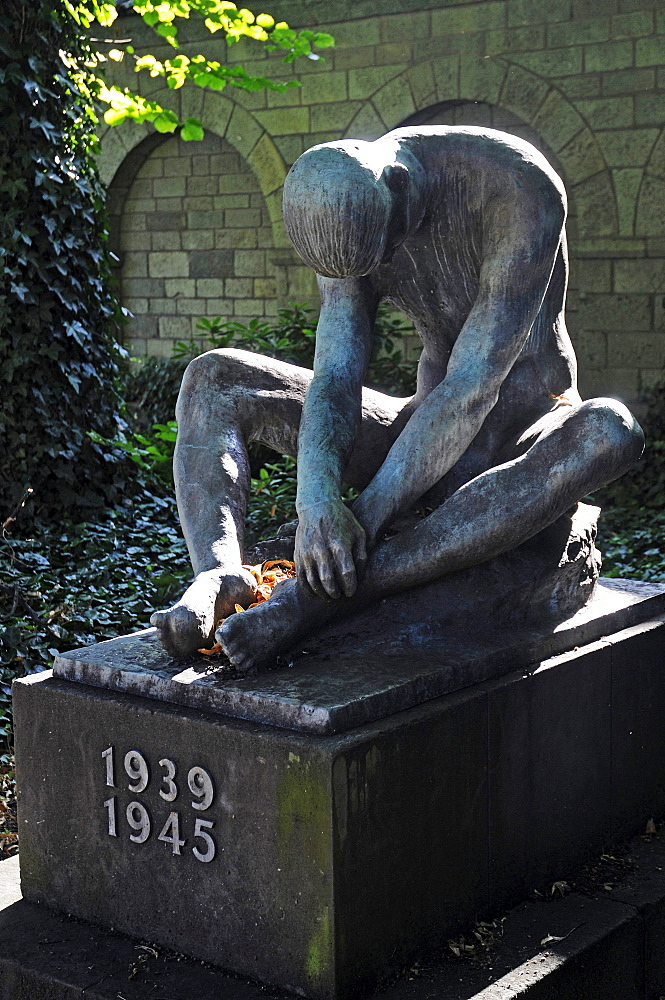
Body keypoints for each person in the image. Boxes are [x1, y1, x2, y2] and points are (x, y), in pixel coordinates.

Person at [151, 126, 643, 670]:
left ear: (400, 186)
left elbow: (473, 387)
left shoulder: (519, 186)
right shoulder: (339, 208)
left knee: (609, 431)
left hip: (526, 429)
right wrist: (316, 503)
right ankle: (220, 574)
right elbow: (335, 373)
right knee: (215, 379)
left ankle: (322, 601)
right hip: (418, 430)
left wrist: (361, 520)